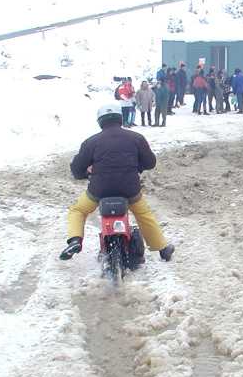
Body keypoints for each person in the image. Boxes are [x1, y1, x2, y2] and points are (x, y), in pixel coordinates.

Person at [59, 103, 175, 262]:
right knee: (143, 214)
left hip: (99, 190)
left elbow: (77, 169)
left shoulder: (91, 142)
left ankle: (75, 240)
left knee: (78, 210)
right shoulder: (136, 138)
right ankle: (163, 249)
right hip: (130, 189)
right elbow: (150, 162)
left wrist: (85, 174)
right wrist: (136, 167)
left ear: (100, 121)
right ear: (120, 118)